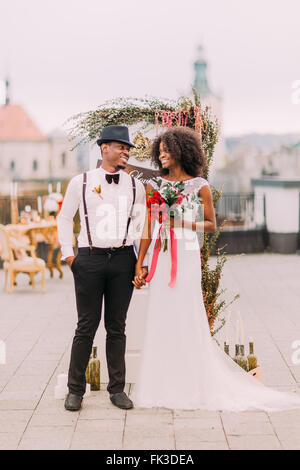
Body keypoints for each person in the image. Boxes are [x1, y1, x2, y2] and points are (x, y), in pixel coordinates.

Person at [132, 126, 300, 412]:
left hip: (185, 256)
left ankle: (190, 383)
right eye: (158, 150)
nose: (160, 155)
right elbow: (150, 225)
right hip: (161, 257)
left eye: (166, 150)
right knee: (161, 315)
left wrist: (183, 223)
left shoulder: (200, 186)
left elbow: (211, 223)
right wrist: (140, 262)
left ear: (181, 151)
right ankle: (161, 383)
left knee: (187, 314)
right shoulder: (155, 187)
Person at [57, 125, 148, 411]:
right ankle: (75, 391)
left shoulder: (136, 185)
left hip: (123, 259)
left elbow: (141, 228)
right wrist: (70, 257)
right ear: (104, 148)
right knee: (86, 326)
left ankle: (117, 390)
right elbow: (63, 218)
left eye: (128, 148)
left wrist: (140, 265)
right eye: (121, 147)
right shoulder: (81, 182)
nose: (126, 152)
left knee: (117, 327)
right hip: (89, 259)